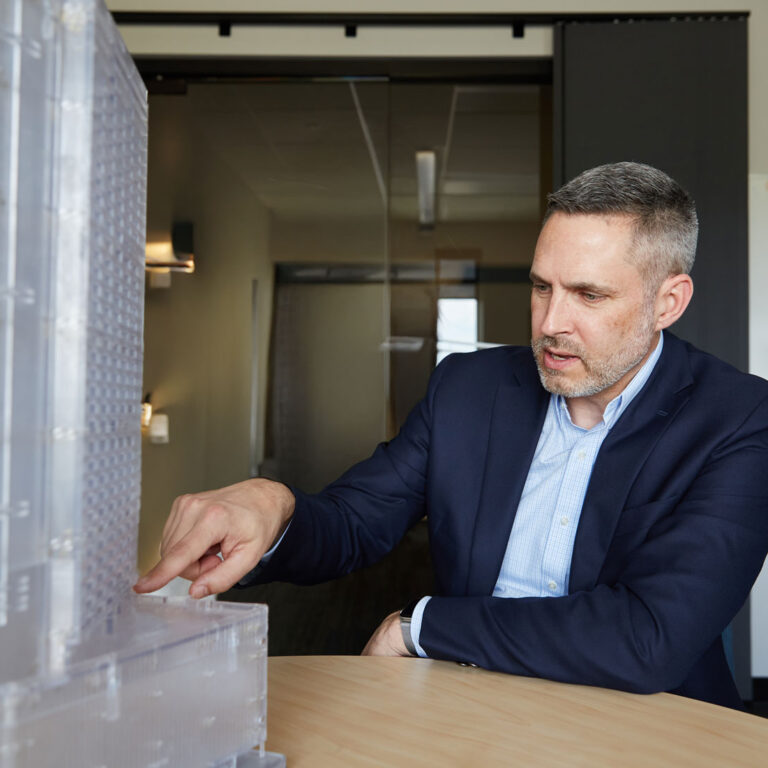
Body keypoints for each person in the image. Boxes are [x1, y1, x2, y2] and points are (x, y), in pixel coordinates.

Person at [135, 162, 768, 709]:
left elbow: (649, 636)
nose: (551, 322)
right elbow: (358, 520)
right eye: (541, 287)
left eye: (588, 295)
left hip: (653, 730)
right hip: (463, 707)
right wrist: (276, 507)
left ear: (669, 302)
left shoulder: (740, 417)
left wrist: (424, 627)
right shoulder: (468, 387)